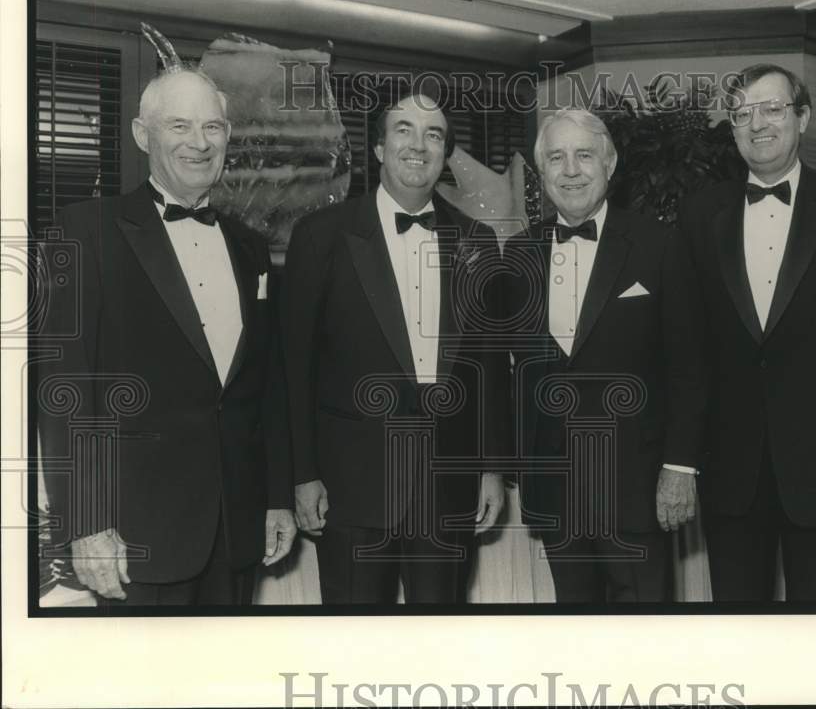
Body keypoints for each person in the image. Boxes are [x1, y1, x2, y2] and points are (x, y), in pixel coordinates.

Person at [38, 68, 296, 606]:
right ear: (141, 134)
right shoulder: (86, 229)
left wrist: (275, 498)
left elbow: (265, 386)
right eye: (179, 125)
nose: (199, 143)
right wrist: (86, 523)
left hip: (235, 531)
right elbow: (65, 390)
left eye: (213, 127)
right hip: (133, 539)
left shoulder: (249, 246)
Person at [663, 63, 816, 601]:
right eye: (742, 114)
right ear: (732, 129)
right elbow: (687, 350)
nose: (758, 124)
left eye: (772, 108)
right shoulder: (699, 214)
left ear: (803, 117)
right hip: (730, 473)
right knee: (740, 632)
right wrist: (680, 459)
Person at [281, 93, 509, 604]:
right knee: (357, 647)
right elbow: (294, 366)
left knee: (437, 645)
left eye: (433, 134)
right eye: (404, 130)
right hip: (350, 486)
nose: (418, 145)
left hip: (446, 484)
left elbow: (489, 366)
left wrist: (492, 468)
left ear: (445, 153)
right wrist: (302, 474)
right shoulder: (321, 236)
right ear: (380, 148)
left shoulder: (477, 240)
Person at [504, 108, 683, 603]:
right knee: (575, 632)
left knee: (646, 640)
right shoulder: (517, 255)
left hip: (638, 485)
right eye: (556, 158)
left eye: (584, 155)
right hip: (556, 486)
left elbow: (689, 367)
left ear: (610, 162)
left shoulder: (660, 245)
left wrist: (681, 467)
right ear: (542, 174)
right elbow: (509, 373)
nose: (571, 170)